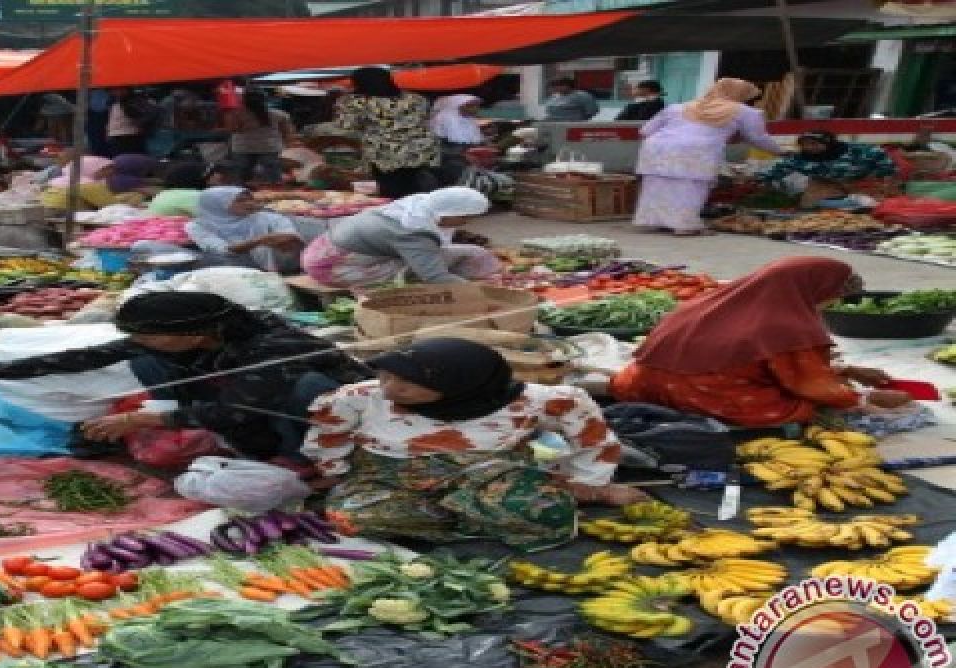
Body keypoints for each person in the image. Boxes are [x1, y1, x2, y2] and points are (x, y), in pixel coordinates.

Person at [0, 292, 370, 463]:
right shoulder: (190, 339)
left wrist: (144, 420)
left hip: (318, 405)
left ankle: (304, 457)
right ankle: (255, 446)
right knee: (145, 364)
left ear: (194, 333)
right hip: (237, 394)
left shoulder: (271, 347)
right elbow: (86, 356)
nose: (140, 341)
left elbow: (235, 409)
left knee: (308, 390)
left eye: (149, 335)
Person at [303, 338, 642, 546]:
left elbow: (593, 439)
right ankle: (478, 518)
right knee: (348, 517)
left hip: (491, 478)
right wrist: (334, 468)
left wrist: (587, 484)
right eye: (385, 376)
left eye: (405, 384)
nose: (389, 389)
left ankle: (477, 513)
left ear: (461, 384)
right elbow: (329, 433)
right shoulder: (360, 397)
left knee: (546, 514)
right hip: (390, 480)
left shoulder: (541, 400)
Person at [611, 257, 913, 427]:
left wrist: (845, 370)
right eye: (832, 297)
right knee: (802, 407)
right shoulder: (787, 325)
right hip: (699, 394)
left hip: (640, 386)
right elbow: (807, 382)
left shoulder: (712, 301)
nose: (830, 306)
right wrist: (858, 401)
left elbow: (751, 357)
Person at [633, 77, 782, 235]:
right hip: (697, 151)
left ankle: (653, 221)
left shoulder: (679, 107)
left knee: (657, 185)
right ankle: (684, 226)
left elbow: (645, 131)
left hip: (658, 148)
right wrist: (780, 151)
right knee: (690, 188)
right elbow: (757, 137)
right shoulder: (745, 111)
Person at [301, 187, 500, 288]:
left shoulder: (419, 205)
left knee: (474, 253)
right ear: (450, 213)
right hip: (332, 267)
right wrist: (480, 291)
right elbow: (435, 277)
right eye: (465, 217)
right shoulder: (413, 231)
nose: (466, 223)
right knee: (417, 272)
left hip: (322, 251)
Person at [334, 67, 439, 199]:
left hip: (385, 152)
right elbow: (424, 117)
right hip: (420, 149)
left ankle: (397, 214)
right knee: (413, 184)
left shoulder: (356, 102)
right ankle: (418, 210)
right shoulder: (416, 98)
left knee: (390, 188)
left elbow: (346, 125)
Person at [186, 186, 313, 273]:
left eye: (249, 199)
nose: (249, 203)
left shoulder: (266, 217)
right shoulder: (197, 226)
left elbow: (289, 235)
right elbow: (222, 249)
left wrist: (285, 239)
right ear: (218, 205)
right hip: (231, 269)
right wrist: (258, 241)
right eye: (240, 201)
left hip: (277, 267)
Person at [759, 131, 898, 208]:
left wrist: (885, 181)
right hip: (825, 183)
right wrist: (757, 180)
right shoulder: (800, 159)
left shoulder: (859, 151)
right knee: (813, 205)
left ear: (828, 143)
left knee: (874, 205)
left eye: (814, 144)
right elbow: (777, 171)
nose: (809, 148)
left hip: (862, 181)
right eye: (805, 144)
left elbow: (884, 163)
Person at [225, 89, 295, 185]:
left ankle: (240, 195)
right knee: (273, 177)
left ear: (244, 100)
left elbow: (232, 129)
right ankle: (274, 195)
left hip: (242, 148)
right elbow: (287, 133)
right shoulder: (279, 114)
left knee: (241, 178)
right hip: (269, 147)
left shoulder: (236, 114)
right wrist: (288, 146)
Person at [39, 155, 145, 210]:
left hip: (49, 209)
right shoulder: (88, 185)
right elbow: (111, 205)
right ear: (91, 169)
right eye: (105, 169)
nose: (111, 172)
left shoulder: (58, 180)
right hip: (66, 212)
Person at [429, 94, 485, 186]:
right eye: (471, 105)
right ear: (457, 106)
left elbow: (475, 142)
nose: (476, 109)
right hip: (447, 163)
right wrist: (462, 155)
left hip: (467, 159)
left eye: (477, 105)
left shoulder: (470, 121)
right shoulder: (443, 120)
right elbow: (437, 149)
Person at [107, 90, 148, 156]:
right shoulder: (115, 102)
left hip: (127, 137)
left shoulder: (130, 102)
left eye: (118, 89)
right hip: (120, 136)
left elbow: (137, 117)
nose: (114, 92)